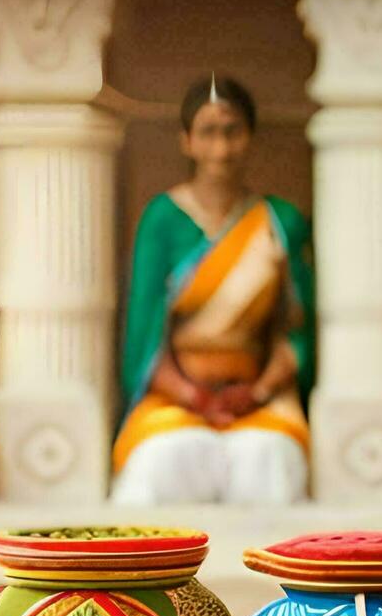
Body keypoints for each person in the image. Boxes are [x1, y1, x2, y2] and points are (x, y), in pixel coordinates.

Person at [112, 74, 315, 505]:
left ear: (250, 138)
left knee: (271, 459)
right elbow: (146, 332)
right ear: (187, 141)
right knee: (162, 460)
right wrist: (192, 395)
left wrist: (257, 392)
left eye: (232, 132)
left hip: (257, 401)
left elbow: (295, 331)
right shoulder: (163, 219)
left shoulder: (279, 221)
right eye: (208, 132)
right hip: (178, 397)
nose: (221, 148)